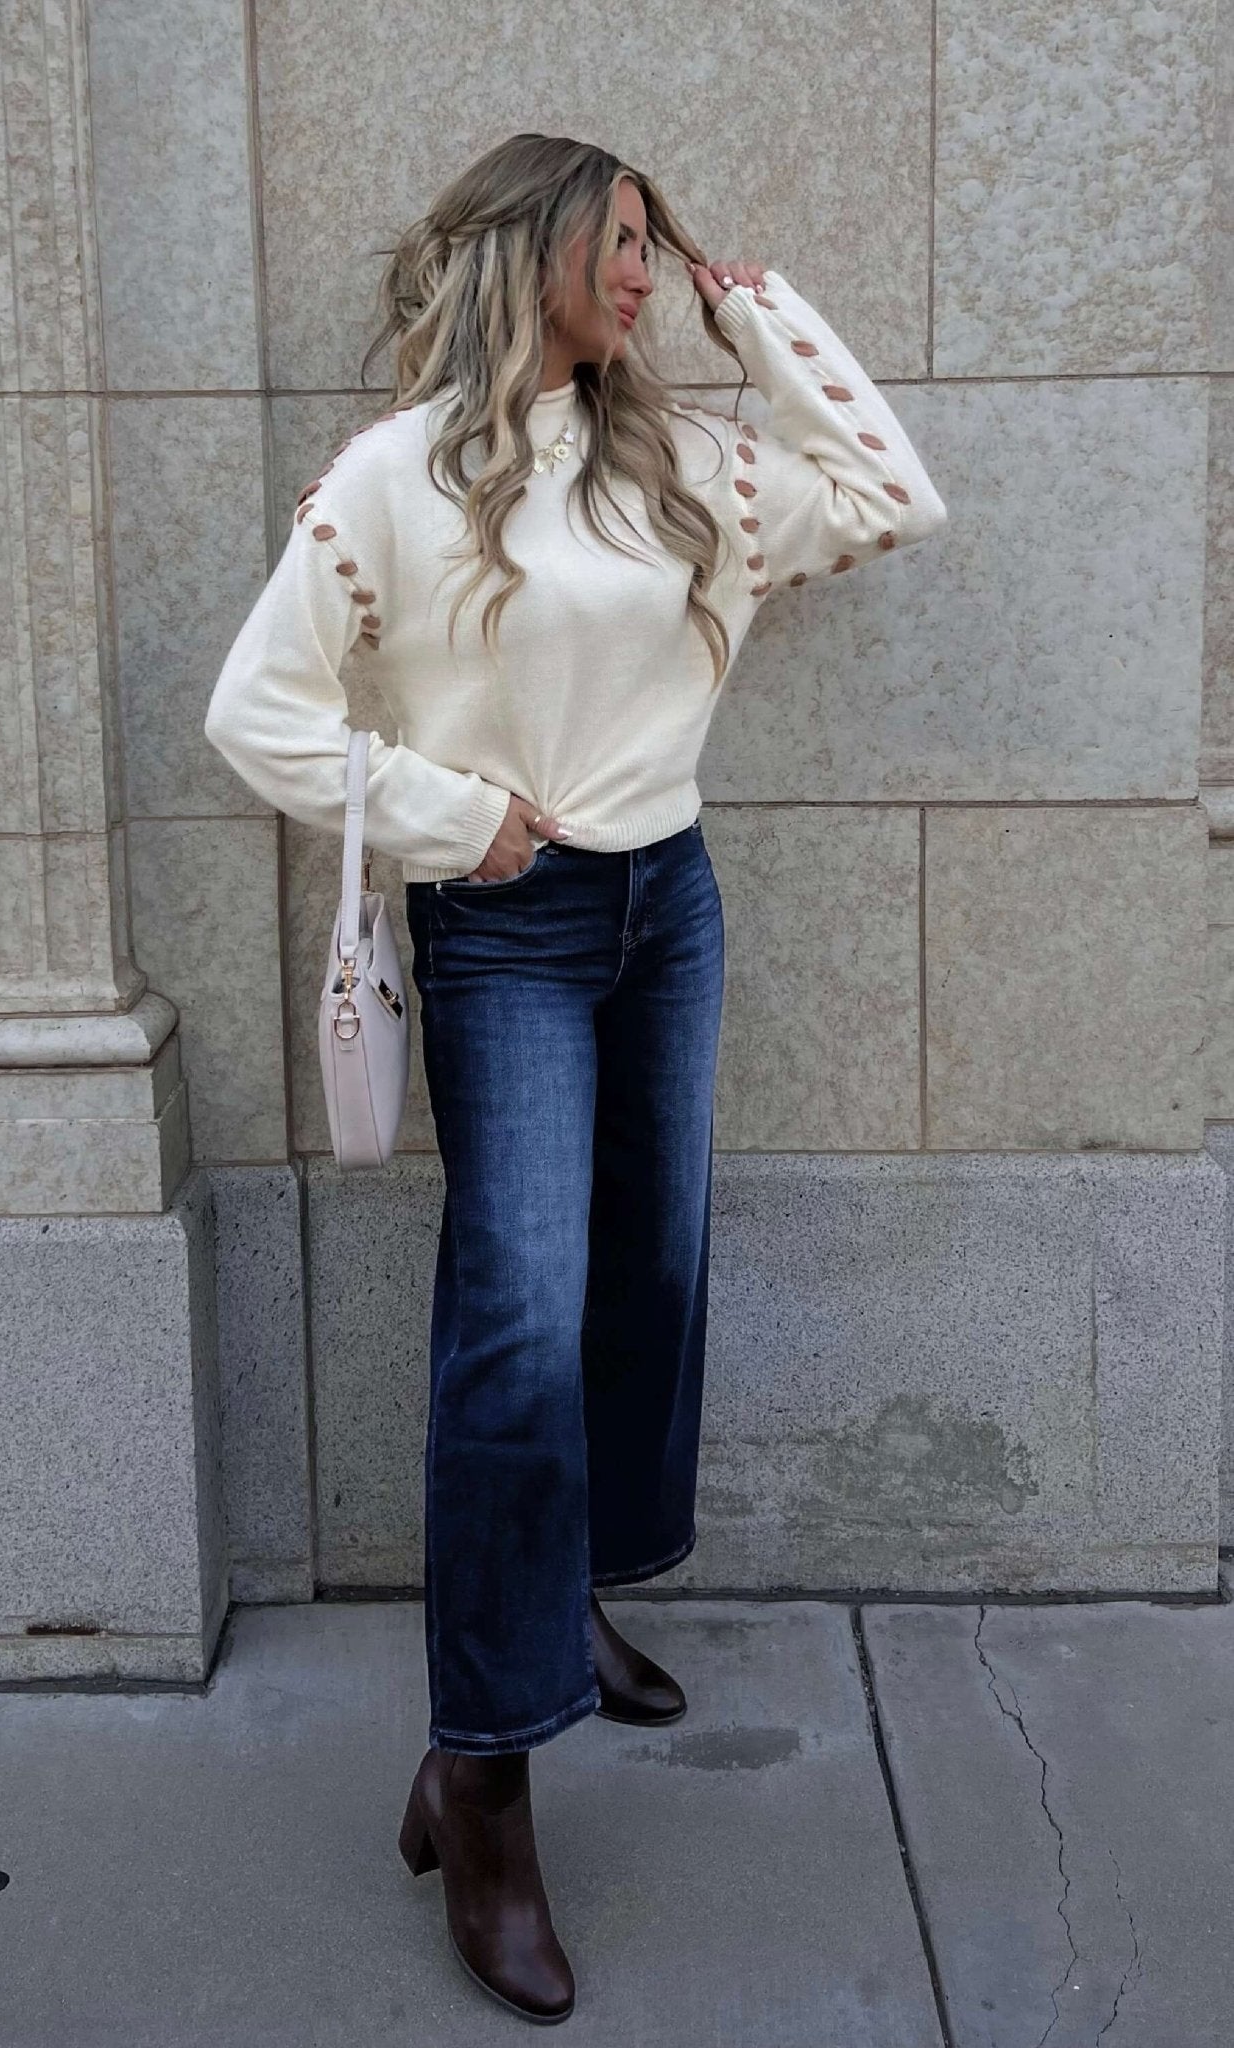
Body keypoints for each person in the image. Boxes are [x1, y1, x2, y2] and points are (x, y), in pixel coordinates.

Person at [203, 130, 948, 2024]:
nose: (640, 271)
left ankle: (556, 1612)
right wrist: (460, 816)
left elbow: (891, 492)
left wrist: (748, 315)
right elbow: (257, 711)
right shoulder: (394, 481)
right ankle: (485, 1778)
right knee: (515, 1329)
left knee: (648, 1283)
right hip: (513, 927)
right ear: (522, 249)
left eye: (654, 246)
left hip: (668, 905)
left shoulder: (676, 458)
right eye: (618, 243)